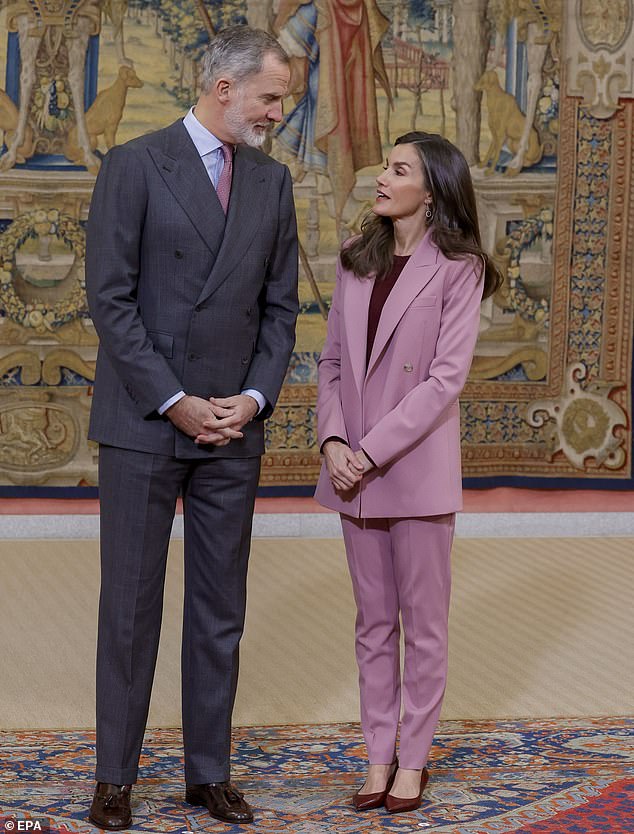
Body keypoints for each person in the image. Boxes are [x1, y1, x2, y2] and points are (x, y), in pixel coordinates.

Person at [85, 26, 298, 829]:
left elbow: (281, 313)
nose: (277, 112)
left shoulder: (272, 185)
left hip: (232, 430)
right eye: (269, 97)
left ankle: (209, 773)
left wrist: (253, 398)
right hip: (146, 421)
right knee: (131, 608)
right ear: (224, 89)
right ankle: (115, 776)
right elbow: (110, 299)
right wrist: (174, 399)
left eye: (280, 99)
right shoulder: (134, 165)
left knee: (220, 607)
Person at [315, 131, 501, 814]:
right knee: (372, 624)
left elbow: (445, 379)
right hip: (351, 474)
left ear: (433, 188)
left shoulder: (460, 266)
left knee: (423, 625)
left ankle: (413, 763)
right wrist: (334, 441)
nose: (381, 177)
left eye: (398, 170)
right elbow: (331, 361)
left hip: (412, 469)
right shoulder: (355, 259)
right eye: (384, 166)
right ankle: (376, 757)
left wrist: (369, 449)